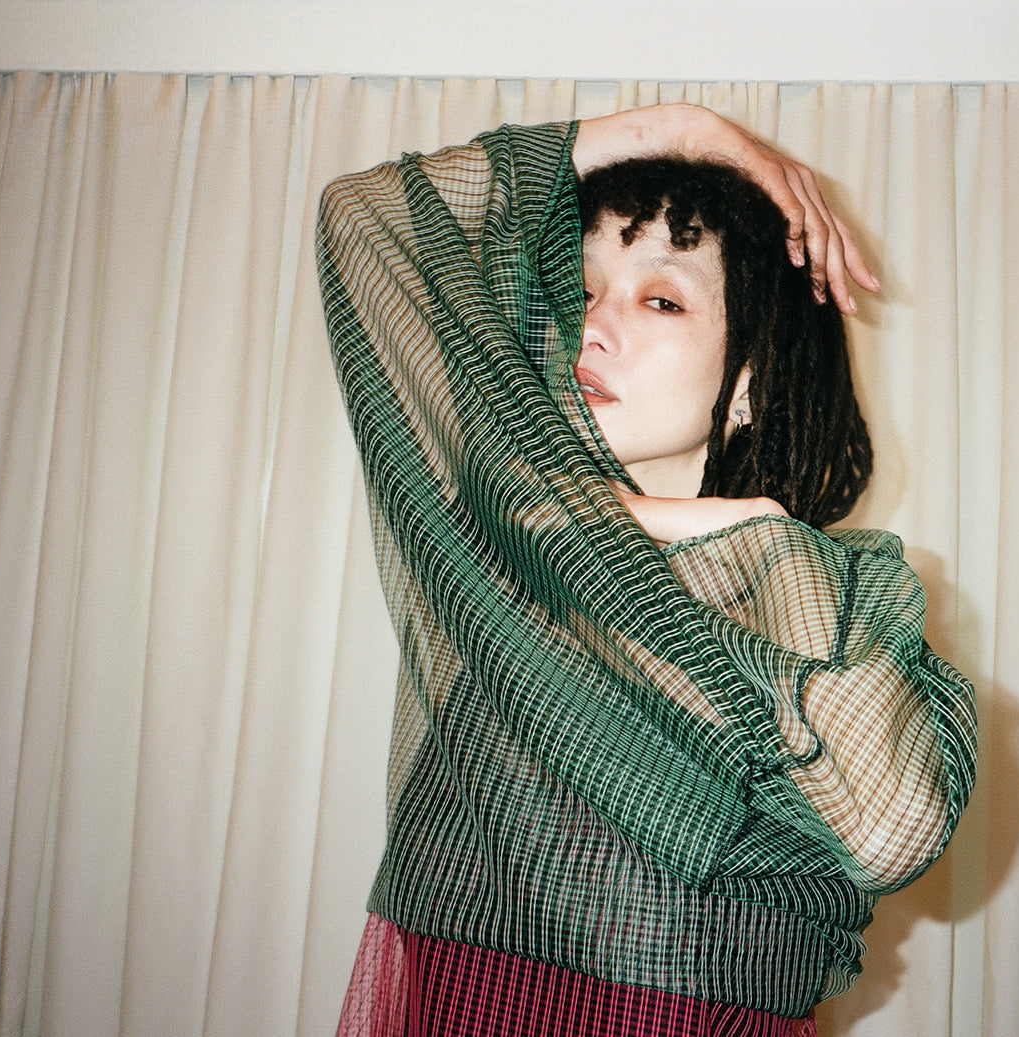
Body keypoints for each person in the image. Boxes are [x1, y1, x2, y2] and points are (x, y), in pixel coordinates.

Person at [317, 103, 976, 1037]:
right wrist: (692, 129)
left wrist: (761, 535)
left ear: (747, 383)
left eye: (660, 299)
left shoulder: (820, 588)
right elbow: (362, 215)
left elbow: (889, 829)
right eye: (579, 289)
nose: (592, 326)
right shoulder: (494, 550)